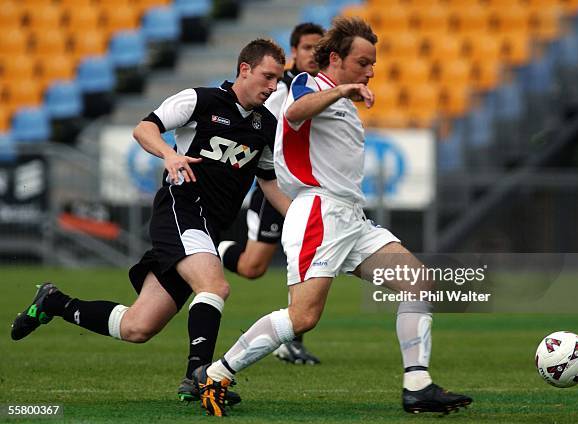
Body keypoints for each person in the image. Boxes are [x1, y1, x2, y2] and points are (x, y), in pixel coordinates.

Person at [192, 17, 473, 417]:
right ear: (336, 59)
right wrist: (343, 88)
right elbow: (295, 112)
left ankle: (418, 386)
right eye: (363, 62)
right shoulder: (309, 84)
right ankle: (217, 374)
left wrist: (346, 92)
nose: (370, 71)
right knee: (303, 317)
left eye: (372, 63)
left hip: (350, 217)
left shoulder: (338, 98)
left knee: (418, 282)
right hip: (319, 211)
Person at [10, 39, 289, 407]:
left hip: (210, 227)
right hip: (182, 210)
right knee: (214, 286)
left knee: (137, 327)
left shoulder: (265, 124)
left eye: (277, 80)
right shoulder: (200, 100)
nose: (272, 87)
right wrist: (171, 155)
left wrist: (301, 221)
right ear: (244, 70)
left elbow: (269, 183)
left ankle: (54, 303)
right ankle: (199, 376)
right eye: (267, 77)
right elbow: (145, 129)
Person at [217, 22, 324, 366]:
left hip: (305, 190)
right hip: (274, 187)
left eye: (319, 49)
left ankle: (291, 340)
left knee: (302, 257)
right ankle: (213, 250)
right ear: (294, 52)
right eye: (307, 48)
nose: (313, 54)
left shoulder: (321, 88)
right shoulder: (279, 87)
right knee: (252, 267)